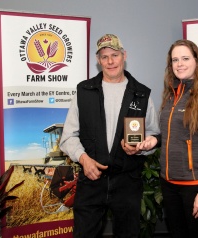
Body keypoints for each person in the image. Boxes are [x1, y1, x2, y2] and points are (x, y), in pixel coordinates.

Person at [59, 33, 160, 237]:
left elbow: (153, 135)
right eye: (104, 57)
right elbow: (68, 136)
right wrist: (84, 159)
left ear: (124, 55)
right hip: (91, 180)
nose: (110, 61)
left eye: (115, 55)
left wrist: (140, 148)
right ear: (98, 60)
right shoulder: (83, 91)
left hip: (127, 183)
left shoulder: (141, 94)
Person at [138, 39, 198, 237]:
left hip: (195, 186)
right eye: (175, 60)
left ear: (196, 61)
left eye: (185, 58)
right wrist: (155, 140)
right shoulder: (171, 96)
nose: (180, 64)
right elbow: (171, 133)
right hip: (169, 184)